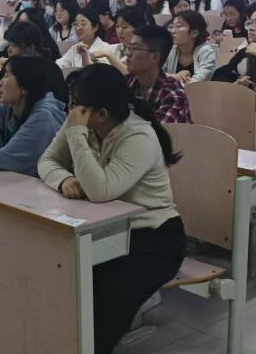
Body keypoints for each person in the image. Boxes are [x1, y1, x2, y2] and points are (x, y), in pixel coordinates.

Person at [38, 64, 185, 354]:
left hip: (153, 237)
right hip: (103, 229)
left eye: (76, 105)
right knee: (58, 277)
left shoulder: (138, 137)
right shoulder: (81, 122)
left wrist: (76, 134)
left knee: (104, 295)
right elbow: (46, 161)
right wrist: (64, 179)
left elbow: (100, 191)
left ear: (101, 113)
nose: (70, 111)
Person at [0, 55, 66, 176]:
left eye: (7, 76)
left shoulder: (44, 116)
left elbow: (1, 161)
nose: (0, 82)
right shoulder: (8, 106)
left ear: (25, 86)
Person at [125, 25, 191, 123]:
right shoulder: (125, 82)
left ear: (155, 57)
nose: (128, 53)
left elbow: (157, 131)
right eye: (128, 47)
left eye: (134, 48)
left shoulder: (173, 94)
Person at [0, 20, 68, 106]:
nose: (9, 50)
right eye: (9, 45)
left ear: (31, 48)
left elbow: (55, 106)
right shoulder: (10, 66)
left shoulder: (51, 71)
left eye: (14, 45)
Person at [55, 8, 124, 76]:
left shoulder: (108, 49)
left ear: (95, 27)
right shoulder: (75, 48)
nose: (78, 28)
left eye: (83, 24)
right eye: (76, 24)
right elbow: (59, 65)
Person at [164, 11, 218, 84]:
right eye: (172, 26)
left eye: (179, 26)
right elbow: (156, 75)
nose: (172, 31)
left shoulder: (207, 52)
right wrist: (175, 76)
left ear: (194, 33)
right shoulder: (170, 50)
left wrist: (171, 79)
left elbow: (197, 83)